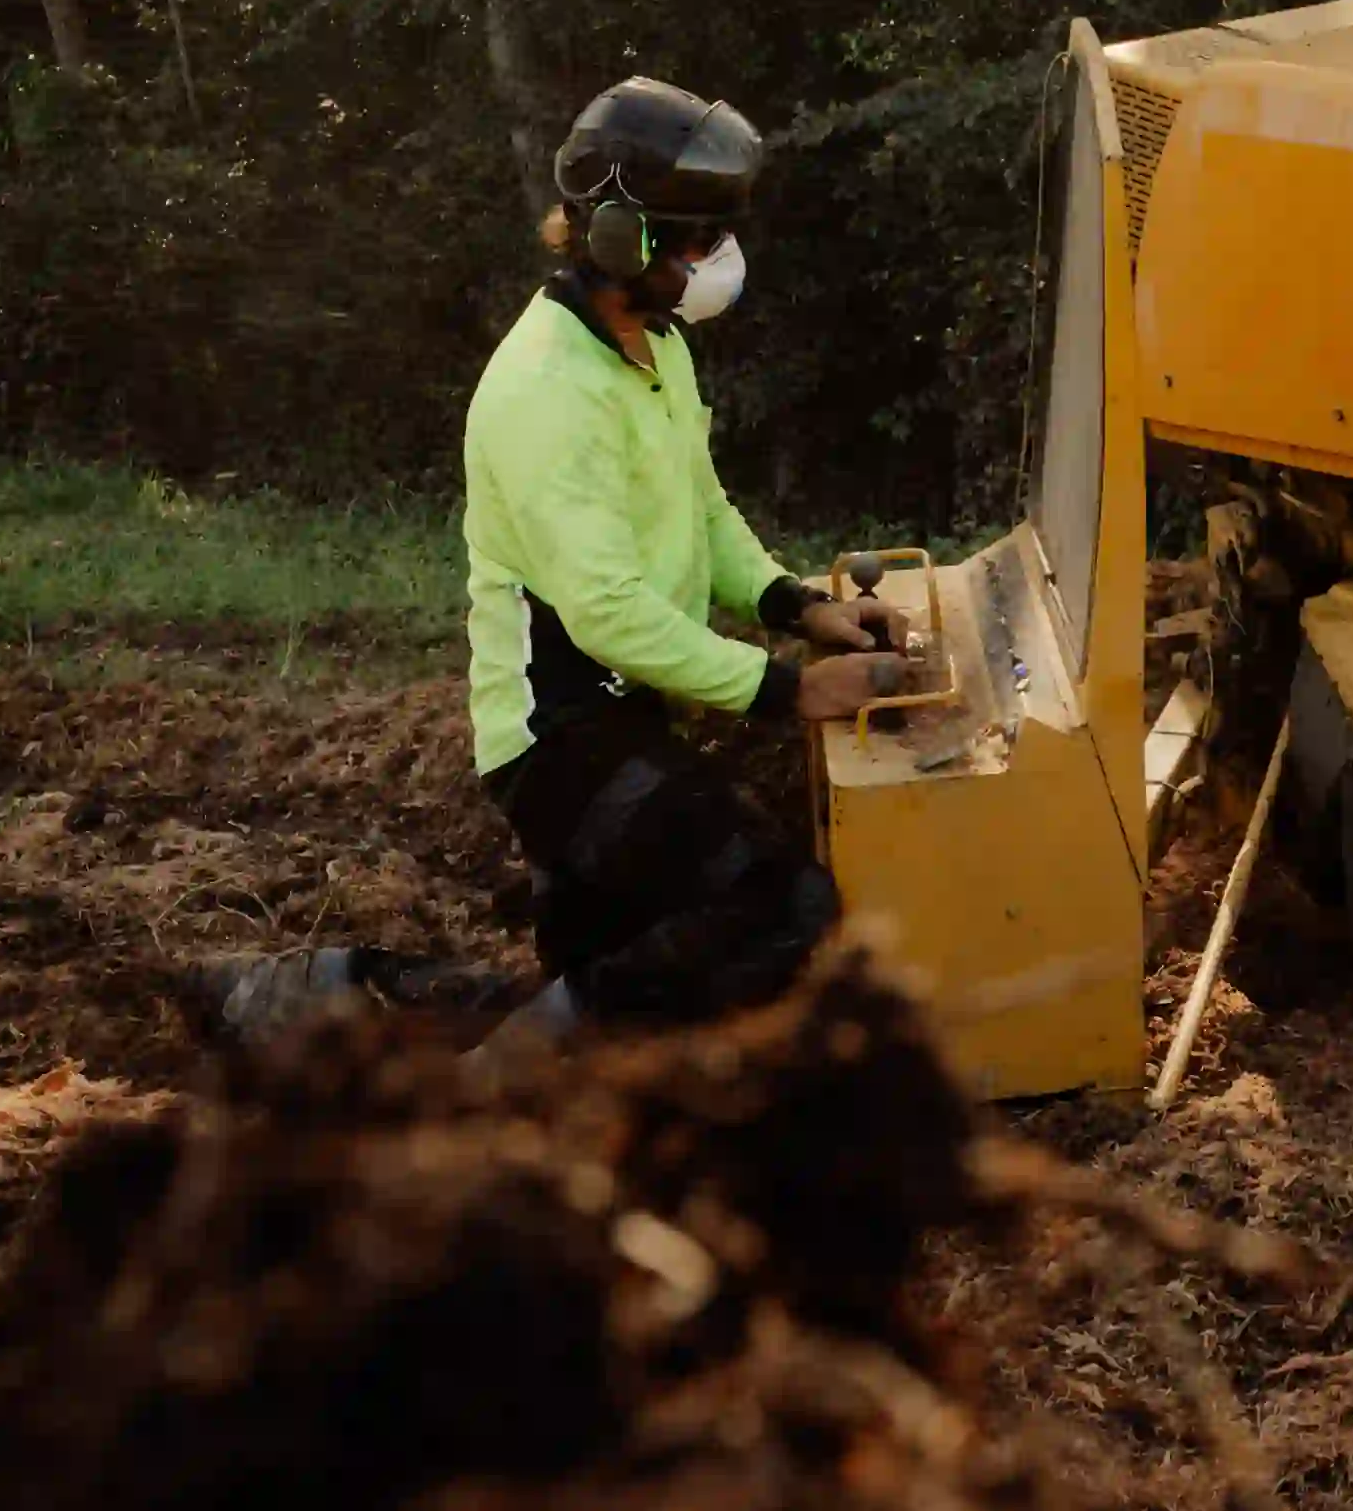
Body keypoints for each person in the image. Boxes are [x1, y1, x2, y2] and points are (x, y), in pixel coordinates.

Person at [202, 75, 907, 1049]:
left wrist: (793, 604)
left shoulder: (656, 348)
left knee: (615, 997)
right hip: (560, 736)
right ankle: (483, 1109)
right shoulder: (544, 388)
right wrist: (789, 691)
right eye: (699, 241)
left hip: (622, 712)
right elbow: (606, 610)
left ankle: (322, 997)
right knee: (774, 908)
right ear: (626, 239)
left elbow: (700, 508)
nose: (719, 261)